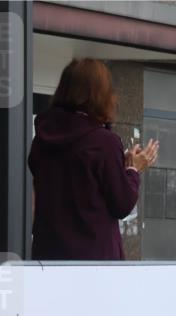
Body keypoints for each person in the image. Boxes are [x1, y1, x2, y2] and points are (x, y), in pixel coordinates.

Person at [29, 58, 158, 260]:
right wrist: (133, 169)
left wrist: (116, 163)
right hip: (93, 263)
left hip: (48, 257)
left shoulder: (42, 138)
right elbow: (122, 204)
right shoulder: (103, 142)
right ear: (100, 95)